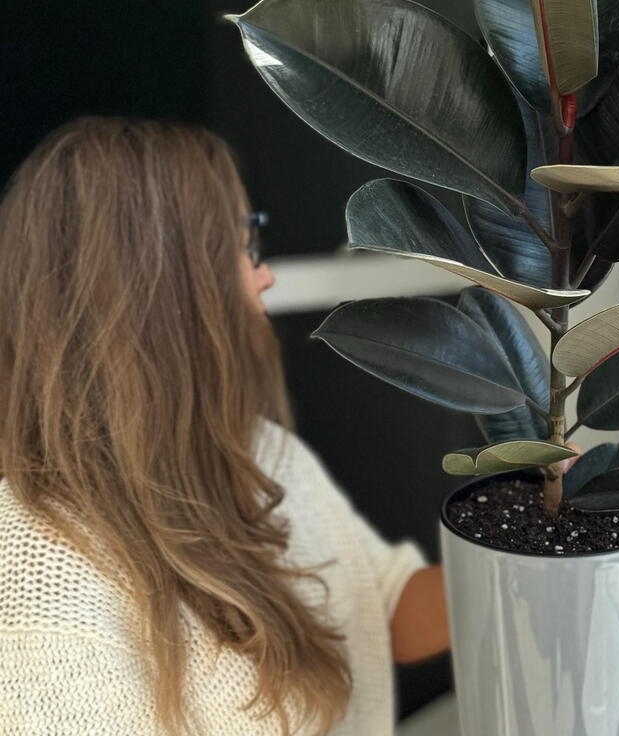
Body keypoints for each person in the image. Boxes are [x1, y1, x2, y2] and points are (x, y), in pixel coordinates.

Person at [0, 117, 451, 735]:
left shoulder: (261, 450)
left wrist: (530, 539)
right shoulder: (39, 577)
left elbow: (380, 605)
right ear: (168, 286)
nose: (264, 275)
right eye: (243, 245)